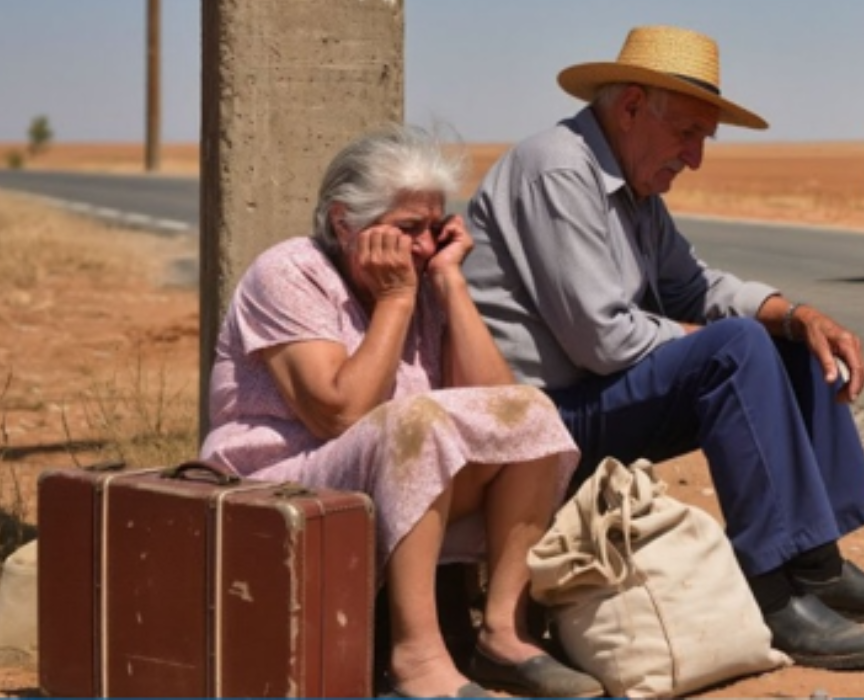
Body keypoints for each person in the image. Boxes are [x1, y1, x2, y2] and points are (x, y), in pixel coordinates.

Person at [462, 24, 864, 672]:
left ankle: (816, 566)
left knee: (787, 341)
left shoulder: (633, 189)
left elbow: (693, 287)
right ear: (632, 107)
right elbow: (603, 339)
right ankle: (770, 591)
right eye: (687, 133)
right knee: (738, 348)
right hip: (540, 422)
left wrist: (794, 315)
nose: (695, 159)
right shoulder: (558, 170)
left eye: (703, 139)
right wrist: (720, 341)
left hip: (591, 400)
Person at [199, 124, 603, 699]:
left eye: (434, 229)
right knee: (416, 421)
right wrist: (396, 299)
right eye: (408, 229)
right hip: (283, 481)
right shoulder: (289, 273)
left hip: (391, 472)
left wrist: (451, 281)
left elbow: (499, 409)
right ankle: (417, 658)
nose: (423, 246)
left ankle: (502, 635)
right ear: (345, 223)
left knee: (530, 413)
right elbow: (338, 415)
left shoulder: (426, 275)